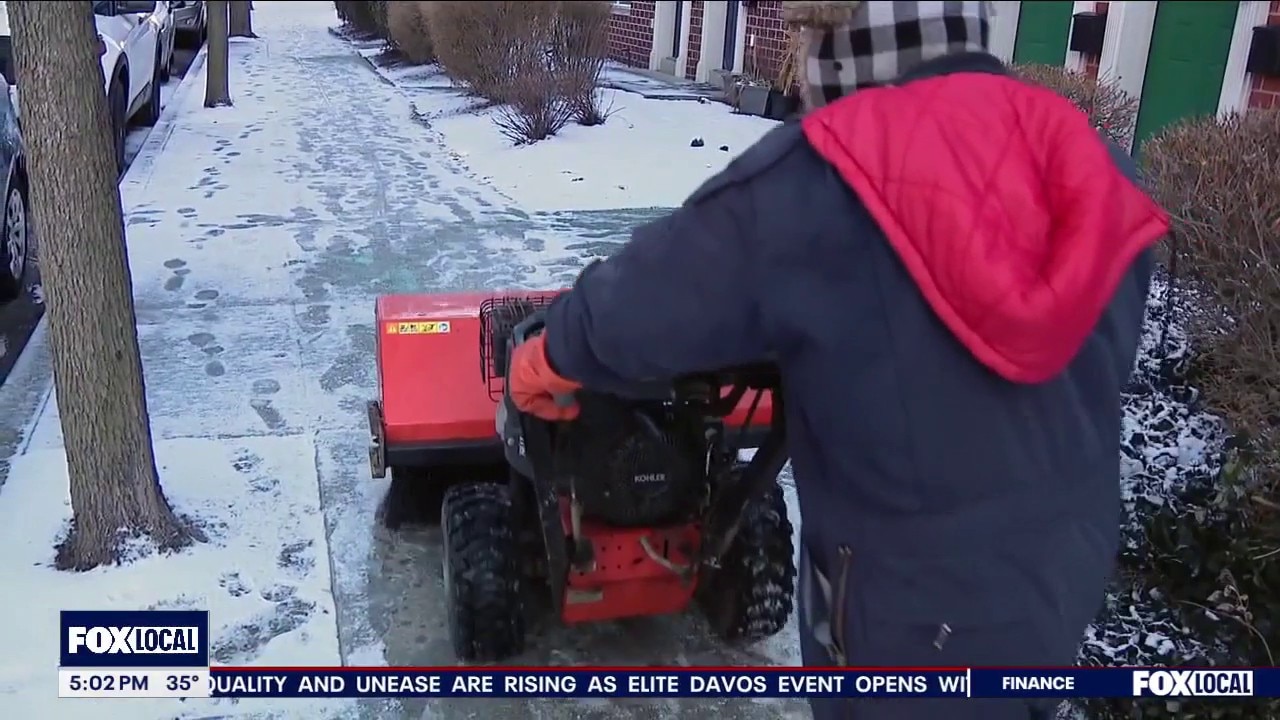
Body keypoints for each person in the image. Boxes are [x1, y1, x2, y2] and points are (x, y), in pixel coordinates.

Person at [507, 1, 1168, 718]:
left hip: (904, 620)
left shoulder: (825, 177)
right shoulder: (1094, 164)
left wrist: (554, 352)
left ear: (836, 37)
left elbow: (655, 299)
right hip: (1058, 582)